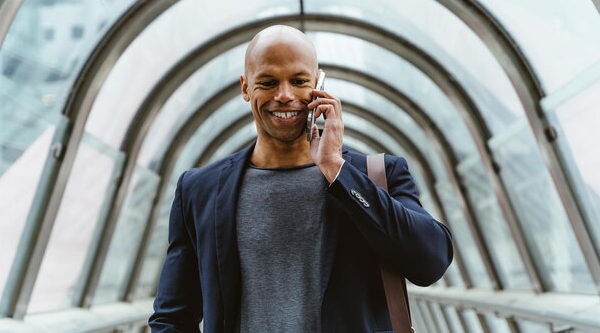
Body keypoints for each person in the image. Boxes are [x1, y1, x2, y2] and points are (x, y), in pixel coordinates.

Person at [149, 25, 453, 333]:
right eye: (267, 82)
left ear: (319, 84)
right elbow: (172, 316)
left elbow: (430, 263)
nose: (284, 95)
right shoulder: (200, 190)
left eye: (298, 81)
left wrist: (338, 170)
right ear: (245, 88)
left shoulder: (377, 176)